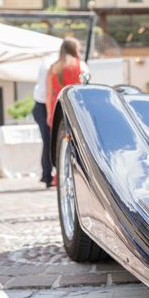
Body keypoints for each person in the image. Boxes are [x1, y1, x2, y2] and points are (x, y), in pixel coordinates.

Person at [45, 38, 88, 188]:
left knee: (61, 144)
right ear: (74, 49)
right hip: (76, 110)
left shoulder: (53, 68)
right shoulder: (81, 65)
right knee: (78, 143)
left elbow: (48, 94)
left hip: (58, 111)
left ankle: (60, 176)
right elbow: (86, 87)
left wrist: (49, 115)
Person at [32, 53, 58, 188]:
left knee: (48, 142)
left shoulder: (48, 61)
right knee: (48, 142)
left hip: (42, 105)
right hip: (43, 105)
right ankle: (47, 176)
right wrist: (49, 113)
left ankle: (47, 175)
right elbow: (47, 93)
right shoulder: (52, 64)